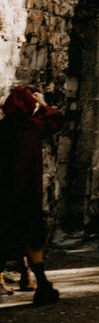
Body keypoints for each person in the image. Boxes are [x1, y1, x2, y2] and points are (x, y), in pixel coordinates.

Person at [0, 84, 64, 306]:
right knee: (32, 237)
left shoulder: (3, 129)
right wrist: (44, 104)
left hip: (4, 193)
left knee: (5, 234)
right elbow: (57, 119)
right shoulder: (32, 128)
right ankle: (42, 284)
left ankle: (36, 283)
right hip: (26, 194)